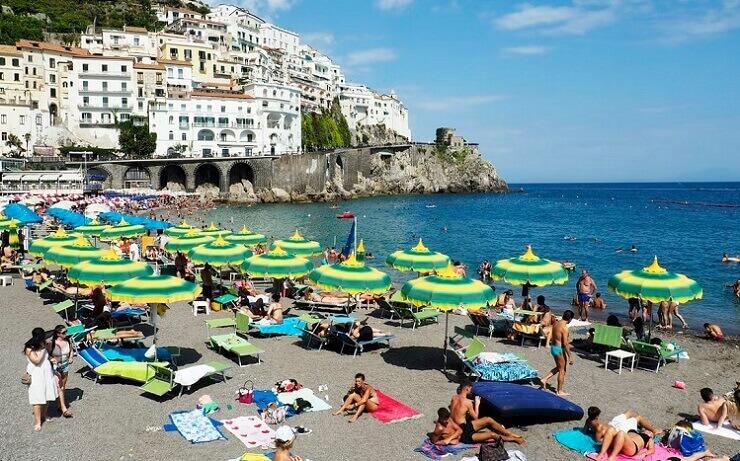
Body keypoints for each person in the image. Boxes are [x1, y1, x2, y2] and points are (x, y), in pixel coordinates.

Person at [449, 381, 525, 444]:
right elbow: (475, 417)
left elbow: (457, 410)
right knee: (492, 435)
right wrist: (477, 404)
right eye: (470, 389)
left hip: (458, 427)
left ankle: (509, 433)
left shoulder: (454, 397)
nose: (471, 391)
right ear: (467, 388)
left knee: (488, 419)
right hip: (463, 433)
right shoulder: (467, 402)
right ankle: (513, 439)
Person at [585, 407, 659, 461]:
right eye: (649, 430)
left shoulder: (649, 439)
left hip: (632, 448)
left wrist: (644, 454)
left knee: (621, 433)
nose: (648, 431)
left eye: (650, 432)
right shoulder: (637, 432)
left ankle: (612, 457)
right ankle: (601, 453)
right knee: (611, 430)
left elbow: (652, 450)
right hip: (624, 443)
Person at [25, 327, 58, 431]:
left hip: (47, 373)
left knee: (47, 395)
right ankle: (38, 421)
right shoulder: (29, 348)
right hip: (36, 375)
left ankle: (44, 415)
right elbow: (36, 361)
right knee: (37, 399)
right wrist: (43, 349)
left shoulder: (43, 344)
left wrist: (51, 358)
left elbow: (47, 357)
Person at [540, 309, 575, 396]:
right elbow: (566, 343)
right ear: (570, 318)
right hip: (559, 349)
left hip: (554, 348)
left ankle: (544, 379)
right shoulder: (564, 328)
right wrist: (570, 356)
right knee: (562, 370)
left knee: (559, 367)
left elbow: (552, 333)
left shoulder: (556, 323)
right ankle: (559, 391)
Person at [49, 325, 74, 418]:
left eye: (66, 332)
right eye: (63, 332)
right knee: (60, 387)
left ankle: (59, 404)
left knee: (62, 386)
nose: (66, 334)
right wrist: (51, 359)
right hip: (56, 367)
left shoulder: (67, 340)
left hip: (65, 366)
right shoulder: (52, 343)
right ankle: (64, 409)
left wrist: (71, 357)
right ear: (58, 333)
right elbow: (47, 354)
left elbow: (71, 350)